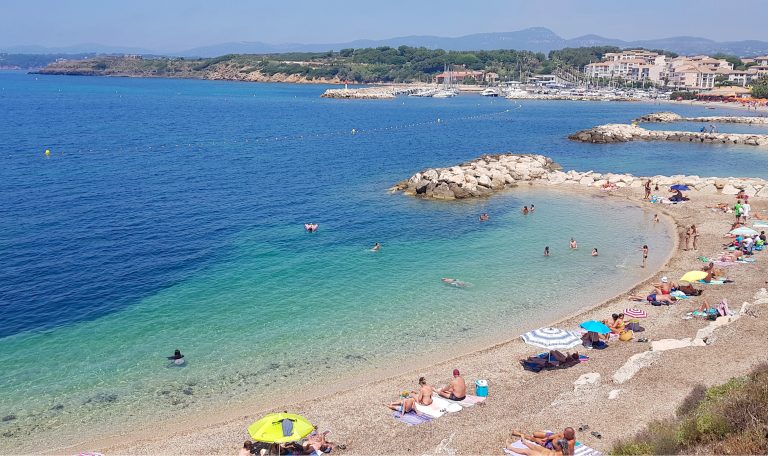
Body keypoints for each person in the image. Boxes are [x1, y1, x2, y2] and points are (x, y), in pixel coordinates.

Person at [510, 428, 576, 455]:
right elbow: (558, 435)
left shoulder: (569, 444)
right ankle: (522, 437)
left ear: (569, 436)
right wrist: (547, 438)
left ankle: (518, 434)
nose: (563, 434)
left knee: (534, 439)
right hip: (551, 438)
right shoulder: (565, 434)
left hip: (551, 446)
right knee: (535, 433)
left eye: (564, 434)